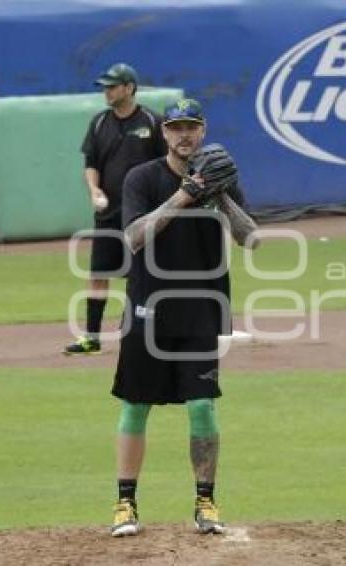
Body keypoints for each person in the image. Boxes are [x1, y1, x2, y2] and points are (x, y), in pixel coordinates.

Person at [109, 98, 241, 537]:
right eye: (176, 127)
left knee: (202, 405)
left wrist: (220, 194)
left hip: (201, 309)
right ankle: (125, 502)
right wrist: (186, 194)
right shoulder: (141, 178)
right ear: (163, 133)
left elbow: (251, 238)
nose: (184, 134)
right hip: (148, 308)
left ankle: (206, 501)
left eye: (192, 126)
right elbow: (133, 238)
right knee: (136, 404)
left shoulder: (218, 174)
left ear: (202, 131)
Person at [64, 63, 167, 355]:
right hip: (108, 214)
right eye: (105, 86)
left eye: (112, 86)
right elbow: (91, 164)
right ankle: (91, 338)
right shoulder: (99, 123)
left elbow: (166, 164)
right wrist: (94, 189)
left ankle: (140, 332)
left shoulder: (151, 121)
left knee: (143, 274)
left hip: (142, 214)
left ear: (129, 88)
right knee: (98, 273)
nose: (107, 91)